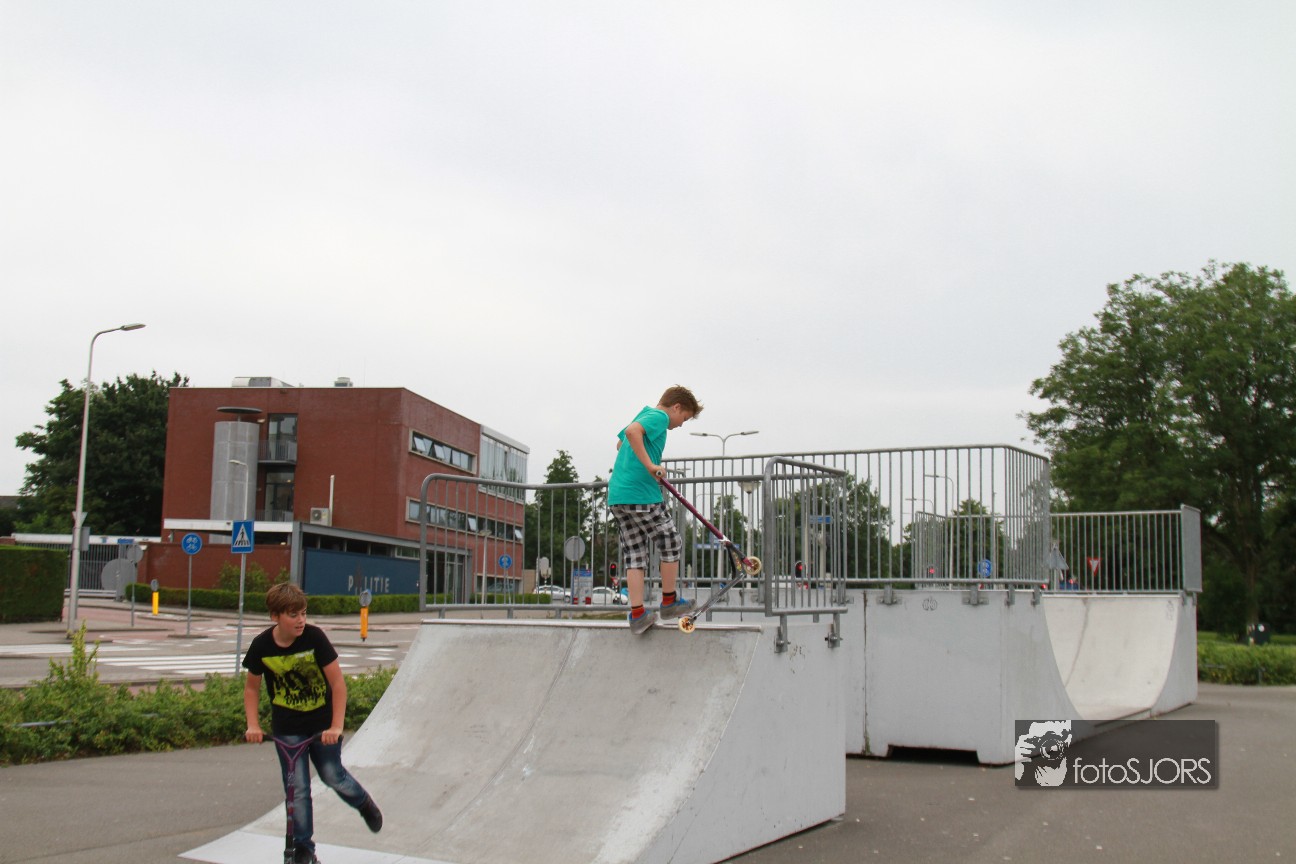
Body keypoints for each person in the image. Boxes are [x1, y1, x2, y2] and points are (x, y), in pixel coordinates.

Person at [243, 583, 383, 864]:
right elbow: (251, 689)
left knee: (332, 775)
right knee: (297, 788)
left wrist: (336, 727)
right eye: (293, 615)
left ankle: (363, 802)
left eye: (304, 613)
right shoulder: (262, 646)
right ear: (275, 616)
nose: (301, 620)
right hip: (287, 727)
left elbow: (338, 684)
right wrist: (253, 725)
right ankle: (303, 847)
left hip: (322, 725)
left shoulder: (314, 638)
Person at [609, 385, 703, 635]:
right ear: (676, 407)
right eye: (684, 418)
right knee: (671, 542)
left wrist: (640, 458)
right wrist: (651, 465)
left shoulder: (644, 413)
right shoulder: (660, 417)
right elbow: (632, 432)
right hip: (640, 495)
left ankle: (638, 614)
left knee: (635, 554)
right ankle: (669, 601)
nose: (681, 425)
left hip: (618, 495)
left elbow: (621, 443)